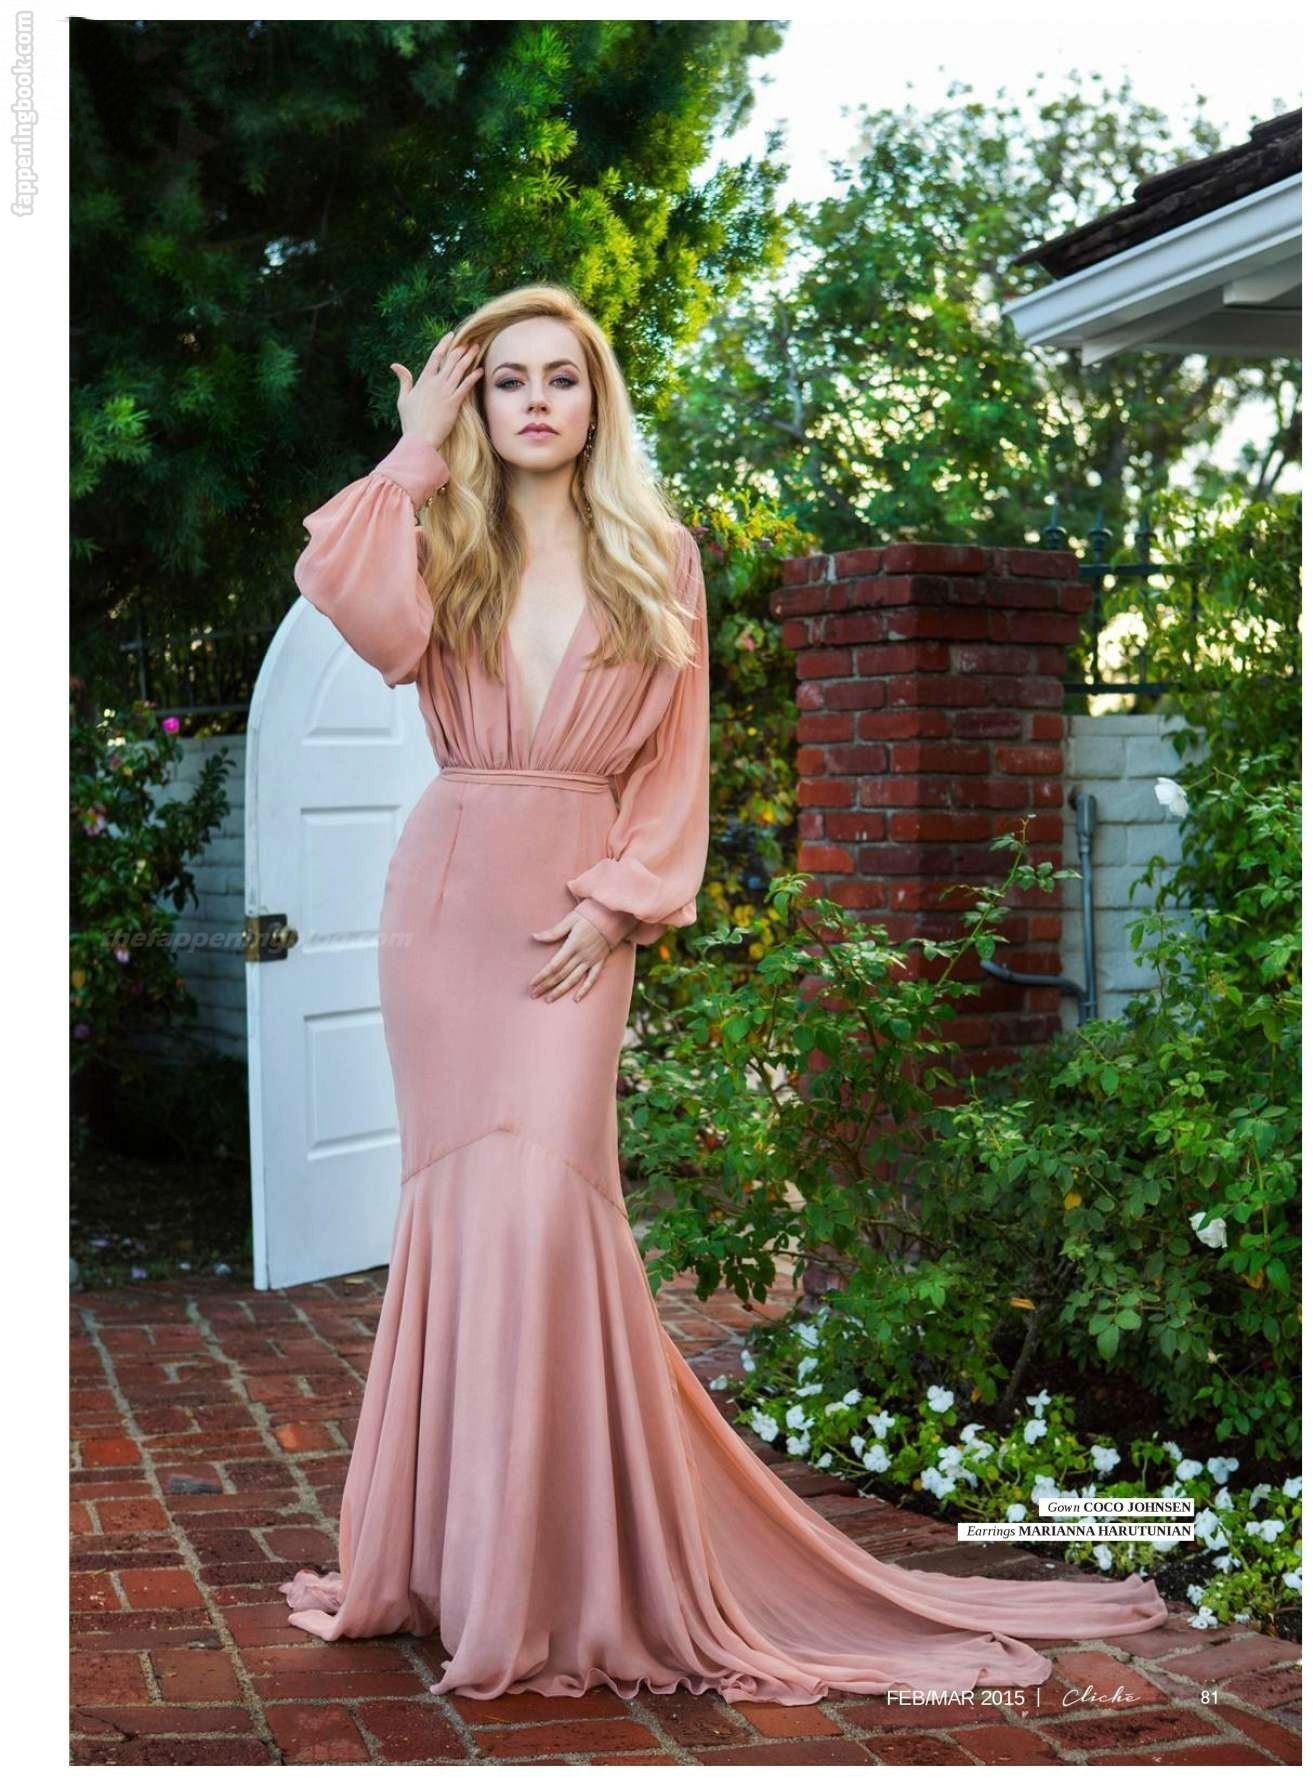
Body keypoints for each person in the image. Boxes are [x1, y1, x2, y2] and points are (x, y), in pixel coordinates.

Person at [278, 284, 1168, 1704]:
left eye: (561, 378)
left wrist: (618, 900)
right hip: (442, 916)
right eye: (507, 382)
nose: (536, 403)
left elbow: (671, 764)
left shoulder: (660, 555)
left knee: (548, 1212)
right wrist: (412, 452)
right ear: (478, 406)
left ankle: (561, 1569)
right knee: (461, 1216)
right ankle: (461, 1561)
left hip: (578, 910)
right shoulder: (443, 539)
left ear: (597, 402)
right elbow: (354, 605)